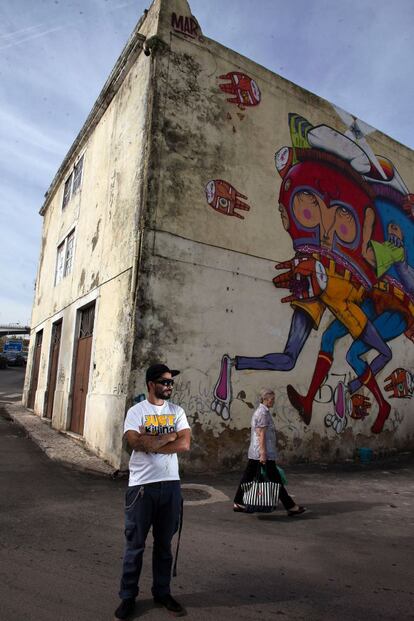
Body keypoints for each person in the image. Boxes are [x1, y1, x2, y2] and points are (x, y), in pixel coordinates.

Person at [114, 363, 191, 620]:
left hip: (170, 485)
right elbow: (135, 442)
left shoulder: (177, 411)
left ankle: (162, 592)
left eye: (171, 382)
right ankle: (128, 597)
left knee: (164, 546)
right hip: (141, 488)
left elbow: (185, 443)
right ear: (150, 384)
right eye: (164, 382)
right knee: (135, 545)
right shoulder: (136, 412)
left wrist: (154, 441)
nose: (169, 386)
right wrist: (169, 436)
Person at [233, 388, 306, 516]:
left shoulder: (262, 411)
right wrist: (263, 453)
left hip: (257, 453)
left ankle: (238, 502)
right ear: (265, 399)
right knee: (275, 480)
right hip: (261, 453)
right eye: (272, 399)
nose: (273, 401)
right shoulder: (263, 413)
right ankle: (291, 506)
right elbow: (261, 434)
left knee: (249, 476)